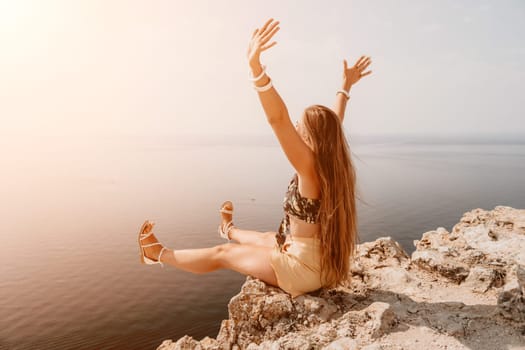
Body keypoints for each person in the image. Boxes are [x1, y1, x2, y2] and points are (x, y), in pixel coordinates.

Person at [137, 18, 372, 298]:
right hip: (317, 261)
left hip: (302, 270)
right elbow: (335, 122)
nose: (295, 128)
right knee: (265, 238)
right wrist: (345, 87)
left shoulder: (308, 167)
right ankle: (228, 228)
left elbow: (278, 119)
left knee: (223, 254)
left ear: (311, 138)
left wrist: (256, 69)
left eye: (301, 126)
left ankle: (156, 254)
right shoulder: (330, 163)